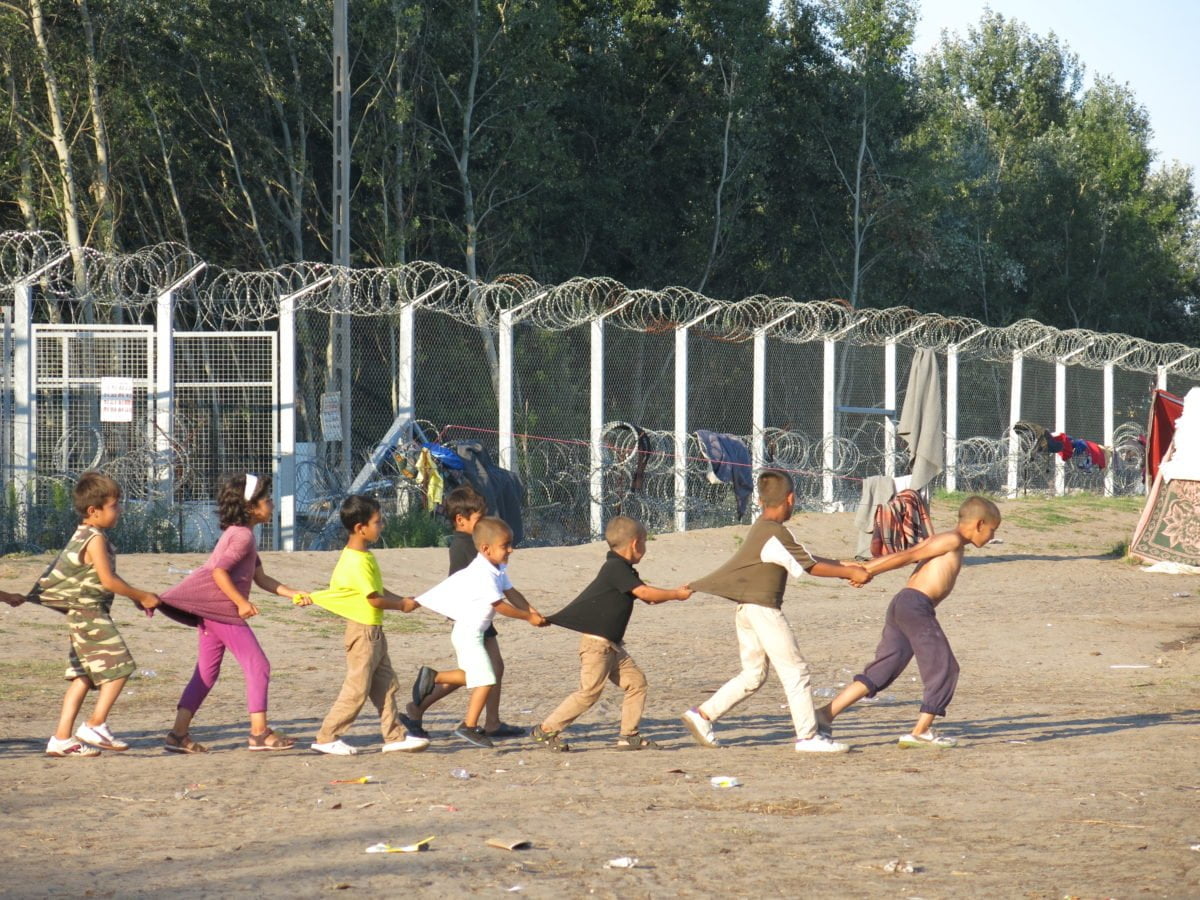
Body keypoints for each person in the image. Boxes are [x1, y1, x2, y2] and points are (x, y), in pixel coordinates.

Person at [681, 470, 870, 754]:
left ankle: (703, 715)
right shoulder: (775, 532)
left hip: (747, 610)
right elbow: (809, 566)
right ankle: (808, 737)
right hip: (763, 612)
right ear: (791, 499)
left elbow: (804, 557)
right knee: (796, 671)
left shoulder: (763, 528)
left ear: (760, 500)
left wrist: (845, 567)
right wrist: (848, 572)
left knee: (753, 675)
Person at [815, 495, 1001, 749]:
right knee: (945, 667)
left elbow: (907, 554)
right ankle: (920, 732)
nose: (992, 536)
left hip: (905, 605)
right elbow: (908, 555)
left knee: (882, 671)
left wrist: (865, 569)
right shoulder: (952, 539)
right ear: (980, 524)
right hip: (915, 606)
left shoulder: (952, 541)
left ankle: (825, 714)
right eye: (992, 530)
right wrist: (866, 571)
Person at [161, 473, 311, 753]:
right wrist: (240, 603)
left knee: (206, 674)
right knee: (258, 665)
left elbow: (260, 578)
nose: (272, 504)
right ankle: (259, 733)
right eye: (267, 500)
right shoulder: (242, 537)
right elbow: (218, 572)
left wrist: (293, 593)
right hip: (222, 612)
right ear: (250, 507)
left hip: (211, 613)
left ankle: (178, 734)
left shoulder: (242, 534)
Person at [13, 472, 160, 757]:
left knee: (82, 676)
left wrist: (134, 597)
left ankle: (61, 739)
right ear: (94, 510)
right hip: (89, 614)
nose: (120, 511)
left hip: (82, 614)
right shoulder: (94, 538)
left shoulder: (86, 534)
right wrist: (143, 595)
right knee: (120, 668)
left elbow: (106, 578)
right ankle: (95, 725)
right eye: (114, 506)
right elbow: (108, 580)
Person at [532, 516, 691, 752]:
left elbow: (646, 597)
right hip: (597, 647)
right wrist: (676, 595)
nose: (645, 548)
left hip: (613, 647)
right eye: (645, 542)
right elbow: (646, 594)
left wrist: (672, 594)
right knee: (589, 693)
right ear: (635, 543)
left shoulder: (622, 569)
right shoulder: (614, 568)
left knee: (636, 683)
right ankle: (545, 730)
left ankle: (629, 735)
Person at [402, 486, 533, 740]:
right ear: (460, 520)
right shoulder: (464, 547)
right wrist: (525, 614)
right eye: (478, 518)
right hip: (471, 617)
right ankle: (424, 707)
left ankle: (487, 720)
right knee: (482, 672)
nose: (483, 523)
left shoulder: (473, 544)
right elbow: (459, 584)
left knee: (486, 670)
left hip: (479, 616)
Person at [306, 494, 430, 755]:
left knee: (386, 686)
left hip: (374, 632)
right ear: (360, 528)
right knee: (357, 688)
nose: (381, 525)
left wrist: (404, 600)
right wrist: (400, 605)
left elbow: (377, 590)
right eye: (378, 521)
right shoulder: (356, 561)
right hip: (363, 633)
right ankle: (327, 736)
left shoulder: (364, 556)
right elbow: (373, 599)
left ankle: (395, 736)